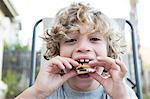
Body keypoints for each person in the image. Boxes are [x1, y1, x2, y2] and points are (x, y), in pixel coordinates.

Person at [15, 2, 138, 99]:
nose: (83, 47)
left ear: (109, 52)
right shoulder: (45, 92)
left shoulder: (121, 91)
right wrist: (37, 92)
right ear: (57, 53)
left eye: (94, 39)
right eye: (70, 40)